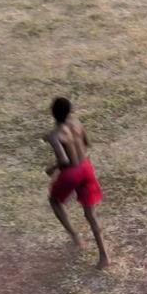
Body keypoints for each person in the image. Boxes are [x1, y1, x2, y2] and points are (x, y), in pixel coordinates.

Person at [44, 97, 109, 269]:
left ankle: (75, 236)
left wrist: (52, 169)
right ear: (70, 112)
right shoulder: (78, 124)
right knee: (90, 215)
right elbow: (87, 143)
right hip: (86, 167)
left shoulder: (55, 135)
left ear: (53, 113)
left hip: (71, 172)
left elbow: (63, 160)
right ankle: (103, 257)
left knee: (54, 201)